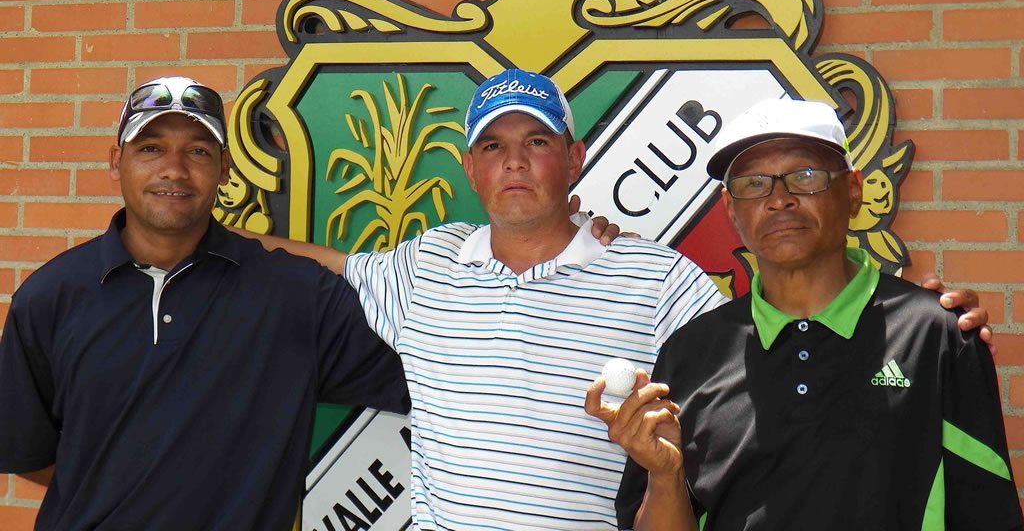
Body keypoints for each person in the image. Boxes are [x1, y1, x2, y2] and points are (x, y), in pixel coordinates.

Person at [263, 72, 991, 531]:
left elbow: (769, 340)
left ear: (574, 159)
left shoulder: (657, 278)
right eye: (492, 146)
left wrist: (910, 317)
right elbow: (307, 262)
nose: (514, 160)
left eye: (537, 141)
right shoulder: (428, 265)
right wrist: (200, 235)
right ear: (470, 168)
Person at [586, 98, 1022, 531]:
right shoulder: (691, 354)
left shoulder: (936, 335)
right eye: (754, 183)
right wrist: (665, 476)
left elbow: (987, 513)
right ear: (731, 209)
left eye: (805, 176)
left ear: (853, 190)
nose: (779, 200)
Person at [0, 77, 411, 531]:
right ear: (116, 162)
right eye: (151, 148)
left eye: (197, 151)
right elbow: (30, 455)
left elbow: (439, 368)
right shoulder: (50, 297)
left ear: (224, 167)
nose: (174, 170)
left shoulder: (297, 296)